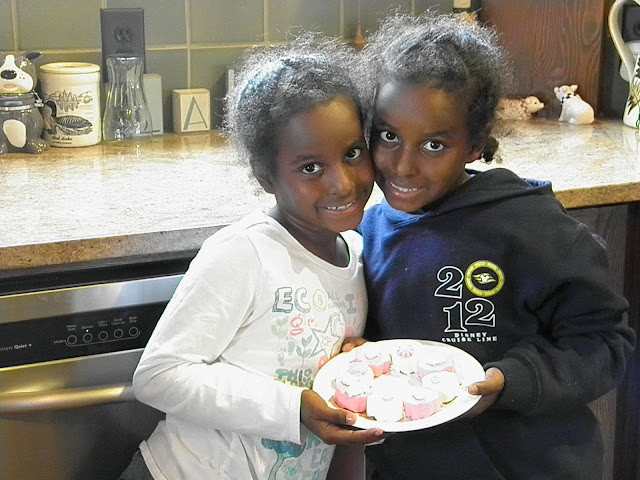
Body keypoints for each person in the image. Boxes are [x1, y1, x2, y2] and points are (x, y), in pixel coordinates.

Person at [355, 12, 636, 480]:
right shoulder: (365, 234)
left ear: (475, 145)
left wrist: (512, 380)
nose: (402, 166)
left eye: (434, 145)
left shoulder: (534, 230)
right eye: (389, 136)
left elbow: (606, 344)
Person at [117, 38, 383, 480]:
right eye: (311, 168)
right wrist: (292, 408)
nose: (341, 183)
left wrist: (355, 367)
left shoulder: (354, 254)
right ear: (266, 176)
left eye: (352, 153)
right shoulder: (245, 252)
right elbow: (159, 374)